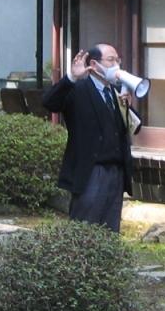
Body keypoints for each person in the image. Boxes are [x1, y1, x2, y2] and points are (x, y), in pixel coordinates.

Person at [42, 44, 138, 232]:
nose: (116, 65)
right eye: (111, 60)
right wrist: (71, 78)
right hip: (91, 170)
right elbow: (49, 102)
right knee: (85, 226)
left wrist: (127, 107)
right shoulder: (78, 88)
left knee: (110, 228)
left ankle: (108, 253)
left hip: (116, 170)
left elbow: (133, 128)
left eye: (118, 60)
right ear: (93, 64)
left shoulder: (115, 92)